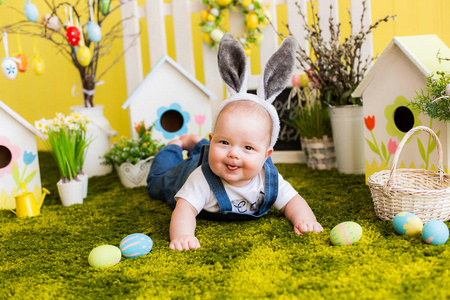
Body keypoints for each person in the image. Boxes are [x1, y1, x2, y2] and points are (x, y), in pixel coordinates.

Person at [147, 33, 323, 251]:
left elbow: (292, 201)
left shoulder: (268, 178)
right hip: (182, 172)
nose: (234, 154)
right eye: (224, 143)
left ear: (266, 155)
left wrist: (305, 220)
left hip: (209, 153)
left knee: (208, 152)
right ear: (213, 141)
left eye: (248, 148)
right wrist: (183, 235)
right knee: (156, 183)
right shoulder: (200, 179)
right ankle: (175, 146)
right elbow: (184, 209)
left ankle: (197, 144)